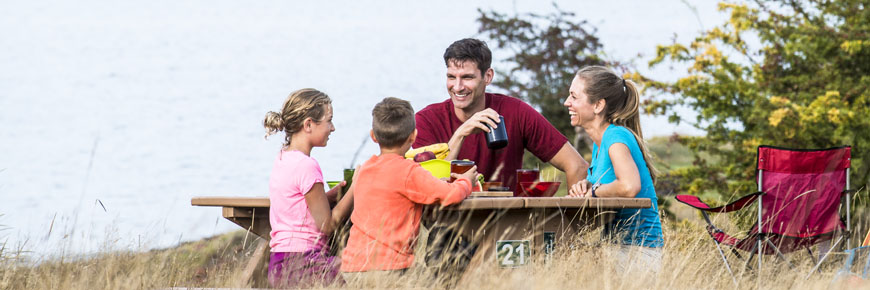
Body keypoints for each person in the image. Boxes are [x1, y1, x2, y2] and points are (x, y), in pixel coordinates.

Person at [414, 38, 588, 191]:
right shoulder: (426, 120)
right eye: (451, 77)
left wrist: (574, 226)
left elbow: (577, 165)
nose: (458, 86)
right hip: (446, 225)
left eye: (467, 77)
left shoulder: (516, 112)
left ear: (488, 76)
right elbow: (426, 185)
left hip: (509, 223)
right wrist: (461, 133)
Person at [340, 97, 477, 286]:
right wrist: (465, 181)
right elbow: (451, 195)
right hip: (392, 269)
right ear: (413, 137)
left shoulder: (364, 169)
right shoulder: (409, 171)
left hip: (353, 268)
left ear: (373, 136)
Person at [563, 66, 664, 271]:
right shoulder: (600, 144)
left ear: (598, 105)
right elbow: (608, 185)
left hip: (638, 251)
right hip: (619, 247)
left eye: (574, 96)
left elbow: (629, 186)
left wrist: (593, 191)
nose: (567, 102)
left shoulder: (616, 137)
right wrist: (586, 186)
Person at [262, 88, 355, 288]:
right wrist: (356, 187)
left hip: (279, 263)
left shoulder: (282, 158)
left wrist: (327, 196)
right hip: (305, 264)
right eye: (329, 120)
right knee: (356, 270)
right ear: (308, 125)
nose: (333, 128)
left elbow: (295, 205)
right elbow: (327, 225)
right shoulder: (307, 166)